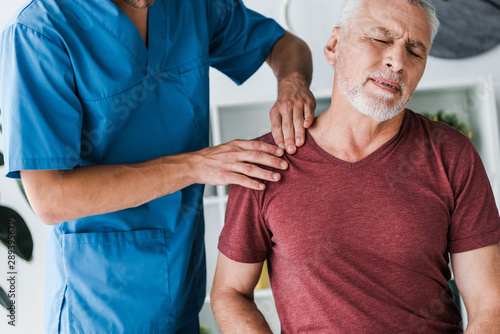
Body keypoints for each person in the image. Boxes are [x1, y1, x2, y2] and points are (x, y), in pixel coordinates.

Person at [0, 0, 316, 332]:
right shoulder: (39, 33)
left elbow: (284, 45)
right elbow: (51, 198)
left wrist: (292, 85)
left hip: (182, 293)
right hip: (100, 308)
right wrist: (195, 166)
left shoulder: (193, 7)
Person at [210, 0, 500, 333]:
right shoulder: (266, 162)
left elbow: (489, 305)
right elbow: (230, 292)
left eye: (416, 52)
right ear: (334, 46)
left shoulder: (451, 154)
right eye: (381, 38)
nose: (397, 60)